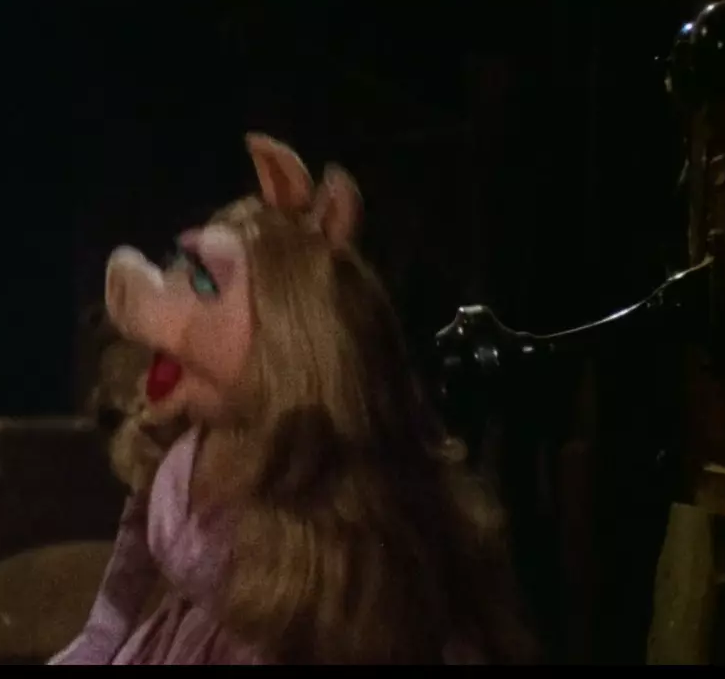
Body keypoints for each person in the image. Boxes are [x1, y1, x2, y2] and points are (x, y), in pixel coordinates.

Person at [51, 133, 536, 664]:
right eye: (180, 266)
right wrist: (95, 644)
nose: (163, 282)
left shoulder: (327, 499)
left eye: (205, 282)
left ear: (286, 336)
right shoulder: (190, 441)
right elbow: (132, 559)